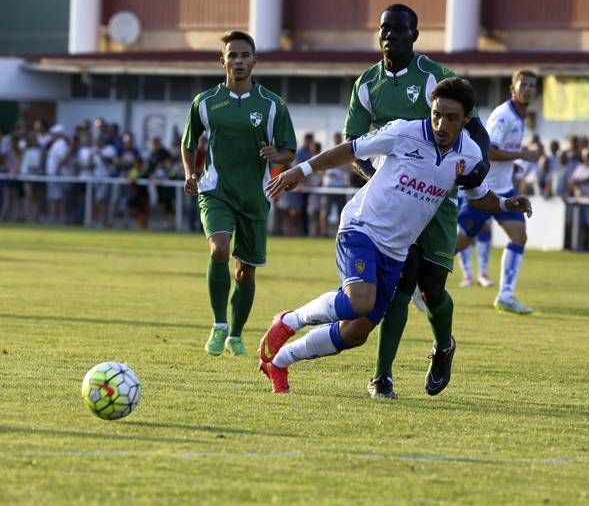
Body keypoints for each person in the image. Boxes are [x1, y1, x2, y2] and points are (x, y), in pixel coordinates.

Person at [257, 77, 531, 394]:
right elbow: (351, 150)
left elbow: (477, 193)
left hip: (396, 251)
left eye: (451, 117)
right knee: (360, 301)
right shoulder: (404, 132)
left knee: (356, 333)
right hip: (362, 227)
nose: (441, 124)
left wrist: (504, 203)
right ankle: (289, 322)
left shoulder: (468, 154)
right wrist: (299, 170)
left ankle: (279, 361)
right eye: (436, 114)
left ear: (467, 120)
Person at [341, 4, 492, 399]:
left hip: (437, 200)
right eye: (384, 29)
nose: (390, 35)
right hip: (394, 206)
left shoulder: (433, 76)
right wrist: (381, 183)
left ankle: (444, 347)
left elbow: (473, 123)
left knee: (433, 290)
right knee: (399, 289)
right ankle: (382, 376)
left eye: (399, 29)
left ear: (415, 35)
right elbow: (354, 146)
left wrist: (483, 163)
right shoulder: (366, 84)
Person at [180, 30, 297, 357]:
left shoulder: (273, 105)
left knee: (245, 270)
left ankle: (235, 334)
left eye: (245, 55)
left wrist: (278, 155)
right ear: (223, 61)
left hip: (255, 197)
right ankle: (218, 325)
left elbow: (290, 151)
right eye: (232, 55)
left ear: (255, 61)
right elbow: (188, 142)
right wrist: (190, 174)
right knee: (219, 249)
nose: (239, 61)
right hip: (216, 190)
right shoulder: (205, 102)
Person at [456, 69, 538, 314]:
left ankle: (506, 294)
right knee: (459, 243)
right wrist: (522, 154)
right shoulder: (503, 116)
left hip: (505, 189)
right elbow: (489, 151)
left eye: (532, 86)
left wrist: (515, 167)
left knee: (519, 237)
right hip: (483, 190)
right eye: (523, 85)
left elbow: (504, 154)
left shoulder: (520, 116)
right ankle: (418, 279)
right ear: (512, 88)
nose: (528, 89)